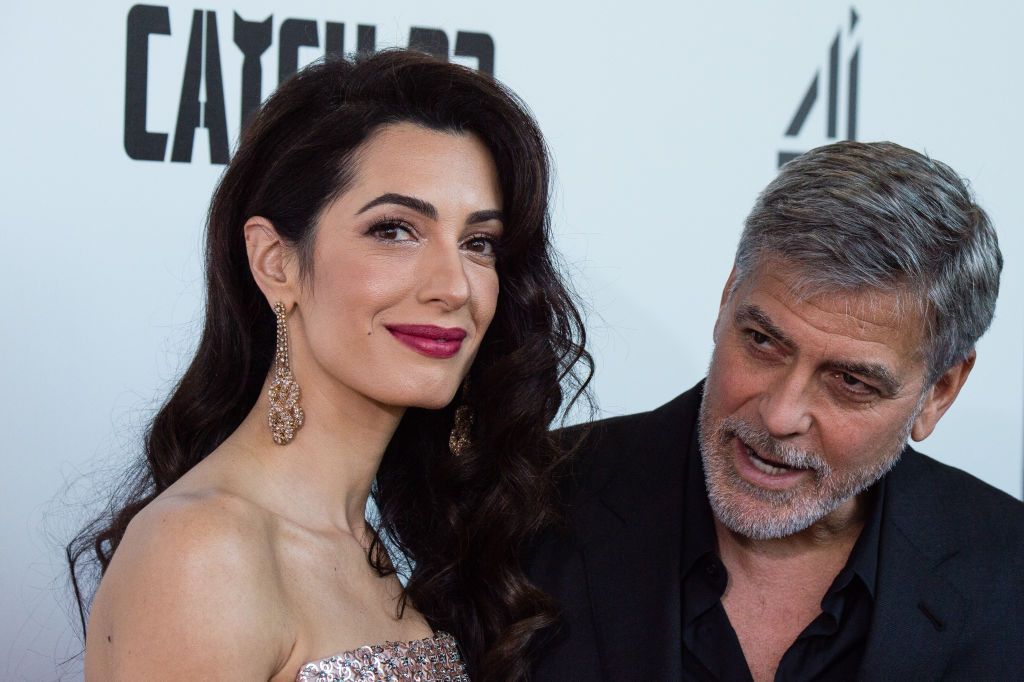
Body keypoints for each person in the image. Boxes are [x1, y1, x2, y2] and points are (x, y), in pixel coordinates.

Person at [67, 50, 591, 681]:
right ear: (275, 262)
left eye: (478, 243)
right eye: (394, 230)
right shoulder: (204, 552)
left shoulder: (360, 543)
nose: (455, 286)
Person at [528, 141, 1023, 680]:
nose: (780, 416)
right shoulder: (523, 502)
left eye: (850, 382)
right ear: (727, 299)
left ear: (939, 392)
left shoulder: (1009, 573)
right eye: (763, 342)